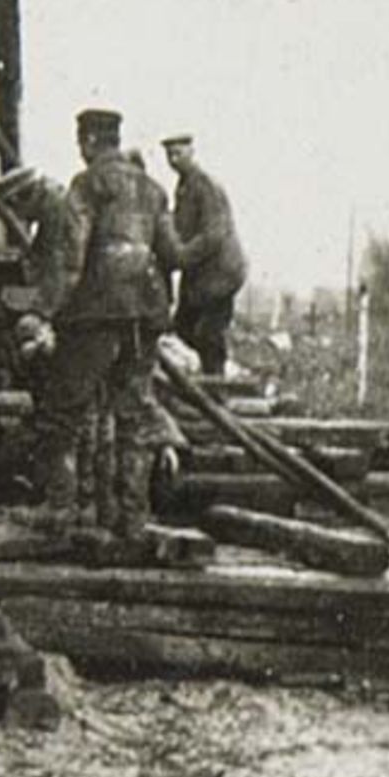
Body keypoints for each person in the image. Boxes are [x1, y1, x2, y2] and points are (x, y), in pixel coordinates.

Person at [34, 108, 181, 538]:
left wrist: (44, 311)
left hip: (96, 316)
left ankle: (60, 512)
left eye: (82, 141)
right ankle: (132, 519)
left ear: (90, 141)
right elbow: (172, 254)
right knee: (133, 419)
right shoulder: (154, 191)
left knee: (63, 413)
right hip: (145, 316)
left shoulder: (87, 184)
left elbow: (71, 260)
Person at [161, 133, 248, 376]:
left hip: (220, 272)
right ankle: (202, 386)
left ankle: (216, 388)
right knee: (183, 329)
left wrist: (180, 256)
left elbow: (213, 234)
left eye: (178, 153)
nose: (174, 160)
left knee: (208, 333)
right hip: (200, 272)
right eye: (169, 155)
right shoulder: (184, 186)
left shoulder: (205, 185)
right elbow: (182, 227)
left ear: (191, 152)